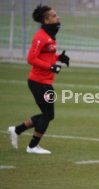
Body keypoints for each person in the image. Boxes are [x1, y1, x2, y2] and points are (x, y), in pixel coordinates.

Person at [7, 5, 70, 154]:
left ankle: (17, 130)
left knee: (47, 114)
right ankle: (32, 146)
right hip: (38, 82)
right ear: (46, 20)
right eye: (54, 16)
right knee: (48, 115)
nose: (58, 17)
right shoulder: (40, 36)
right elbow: (31, 58)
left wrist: (58, 58)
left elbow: (46, 56)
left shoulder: (49, 36)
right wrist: (51, 67)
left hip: (44, 82)